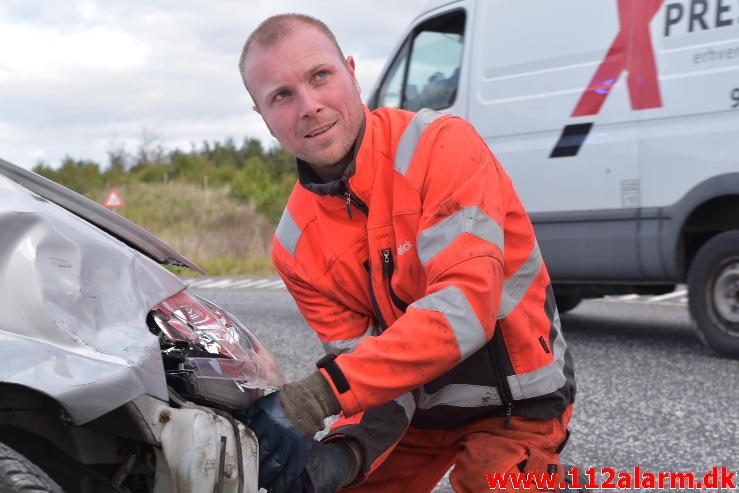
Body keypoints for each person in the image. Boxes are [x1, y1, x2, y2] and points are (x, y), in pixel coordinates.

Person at [237, 13, 576, 493]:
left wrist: (317, 397)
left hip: (516, 403)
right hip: (415, 412)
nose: (309, 106)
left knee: (490, 479)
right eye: (282, 96)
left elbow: (465, 310)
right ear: (263, 117)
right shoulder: (295, 246)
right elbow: (372, 374)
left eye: (320, 76)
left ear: (352, 72)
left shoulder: (441, 147)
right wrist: (347, 455)